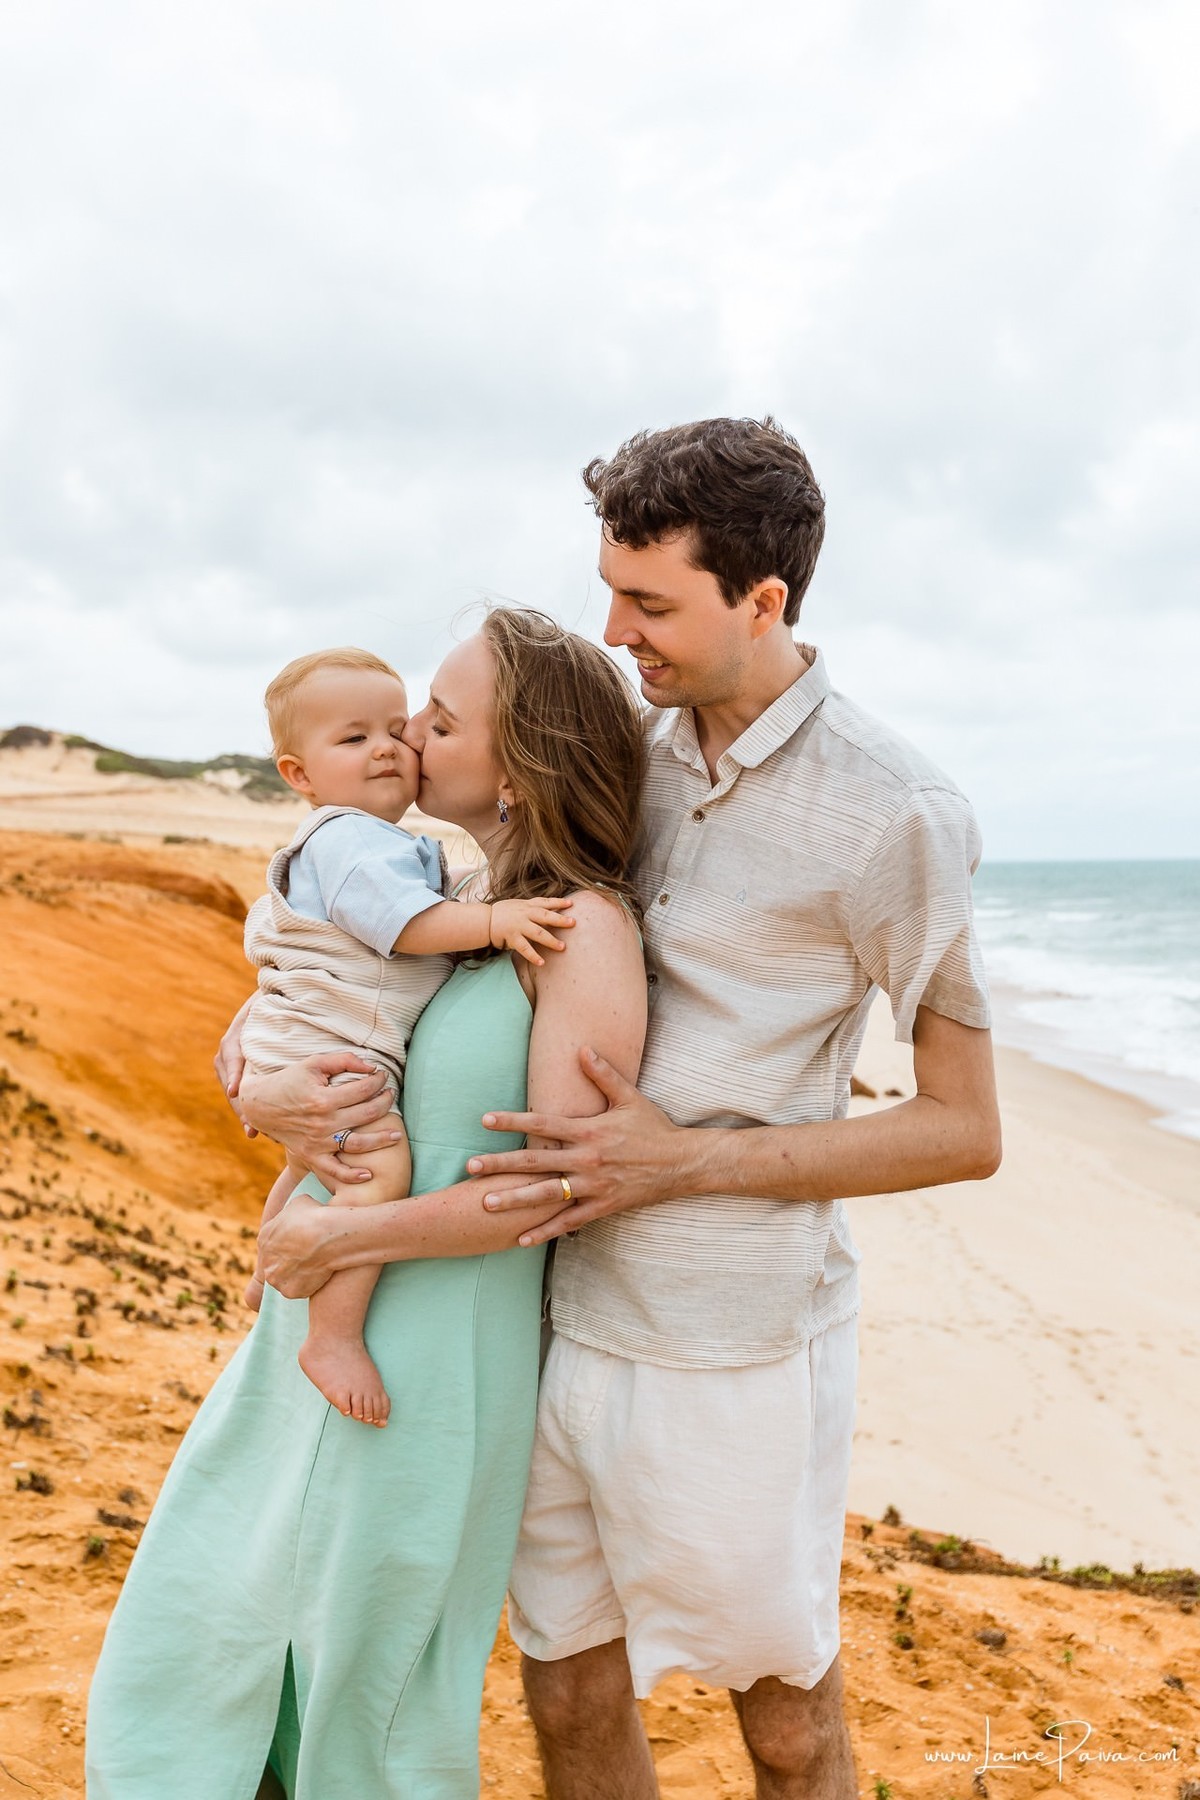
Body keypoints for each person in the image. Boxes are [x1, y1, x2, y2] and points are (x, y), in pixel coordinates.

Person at [254, 417, 1002, 1800]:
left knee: (782, 1721)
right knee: (569, 1691)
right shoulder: (625, 747)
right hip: (546, 1318)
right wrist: (282, 1087)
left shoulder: (899, 814)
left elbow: (967, 1127)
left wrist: (688, 1165)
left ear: (764, 599)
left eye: (649, 603)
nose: (618, 630)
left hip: (733, 1340)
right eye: (609, 590)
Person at [85, 608, 648, 1800]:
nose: (408, 739)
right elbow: (287, 1020)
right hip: (323, 1304)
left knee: (368, 1674)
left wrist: (340, 1230)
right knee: (219, 1620)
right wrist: (261, 1096)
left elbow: (555, 1187)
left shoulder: (580, 925)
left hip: (433, 1343)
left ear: (524, 757)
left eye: (439, 722)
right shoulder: (435, 889)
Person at [240, 645, 575, 1425]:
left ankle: (267, 1265)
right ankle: (333, 1335)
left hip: (322, 1043)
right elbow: (403, 924)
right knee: (379, 1167)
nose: (394, 745)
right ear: (299, 774)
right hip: (335, 1048)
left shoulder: (382, 845)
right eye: (354, 739)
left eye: (400, 726)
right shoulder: (350, 840)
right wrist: (492, 921)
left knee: (308, 1160)